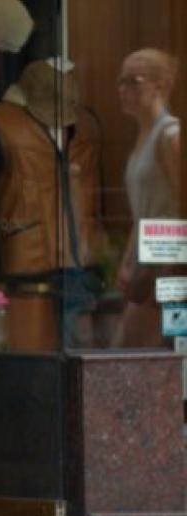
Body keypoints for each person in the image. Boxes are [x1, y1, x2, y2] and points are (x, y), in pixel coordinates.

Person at [114, 49, 181, 347]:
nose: (123, 90)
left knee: (132, 352)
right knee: (141, 354)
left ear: (161, 86)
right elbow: (140, 213)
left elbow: (182, 205)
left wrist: (171, 269)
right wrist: (127, 262)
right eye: (121, 81)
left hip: (167, 258)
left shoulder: (170, 136)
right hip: (149, 256)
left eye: (134, 81)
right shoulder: (144, 138)